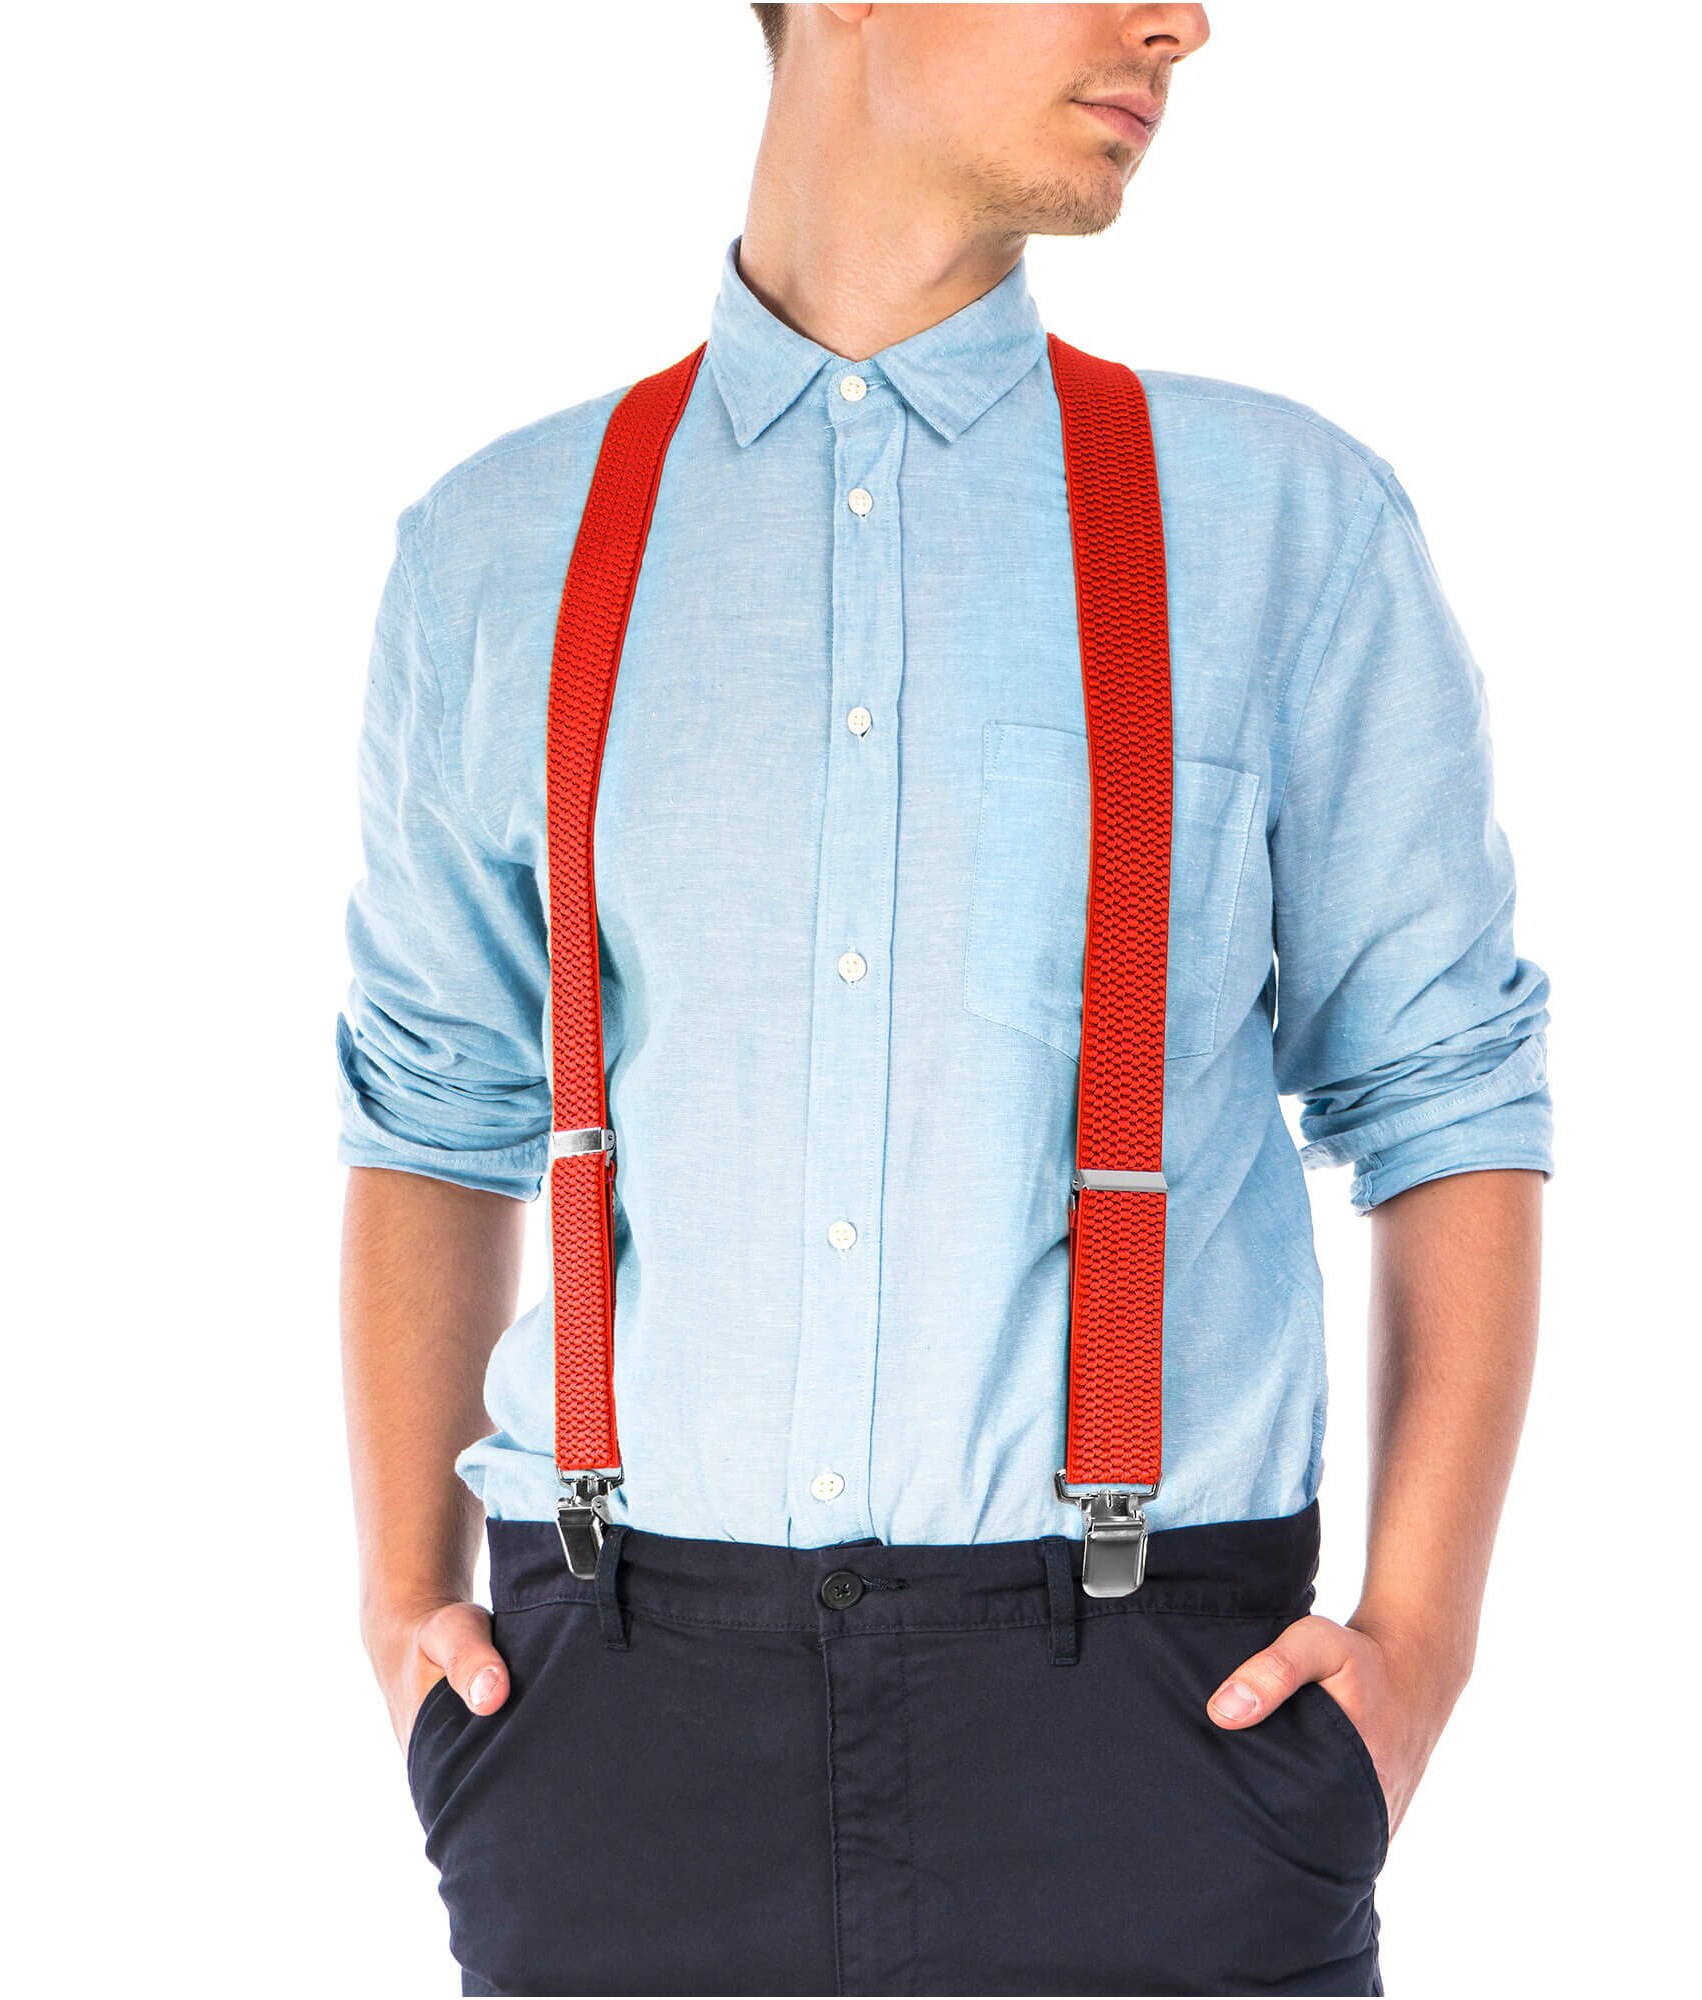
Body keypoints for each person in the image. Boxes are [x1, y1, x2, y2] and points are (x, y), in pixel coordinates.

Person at [335, 5, 1552, 1993]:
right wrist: (404, 1613)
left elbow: (1449, 1095)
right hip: (614, 1739)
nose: (1182, 22)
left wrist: (1414, 1656)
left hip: (1158, 1736)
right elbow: (430, 1107)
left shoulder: (1281, 522)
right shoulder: (499, 548)